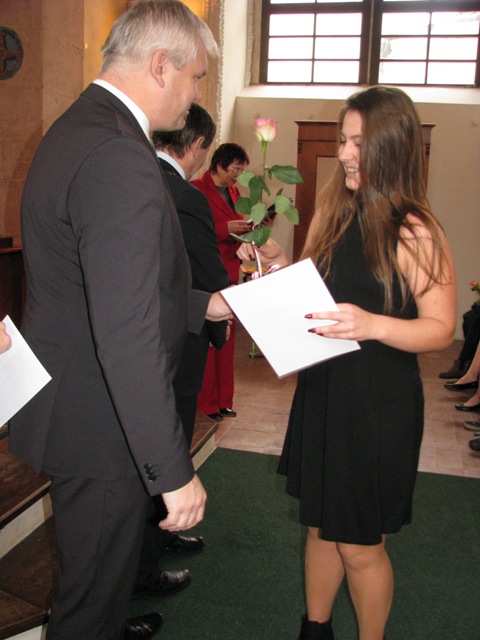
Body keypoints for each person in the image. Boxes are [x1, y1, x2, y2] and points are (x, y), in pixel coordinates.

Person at [8, 3, 232, 640]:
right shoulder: (118, 154)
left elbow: (95, 286)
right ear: (161, 65)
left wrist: (205, 304)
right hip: (102, 422)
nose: (195, 95)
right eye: (195, 77)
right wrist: (172, 469)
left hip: (83, 406)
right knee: (91, 609)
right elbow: (125, 332)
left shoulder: (81, 127)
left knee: (95, 594)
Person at [239, 86, 456, 640]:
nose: (344, 153)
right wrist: (277, 266)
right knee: (319, 528)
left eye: (358, 142)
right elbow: (317, 295)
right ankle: (315, 630)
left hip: (378, 407)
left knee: (359, 545)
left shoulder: (414, 229)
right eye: (342, 140)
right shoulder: (333, 212)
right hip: (326, 391)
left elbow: (440, 328)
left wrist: (372, 325)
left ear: (391, 147)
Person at [133, 103, 231, 600]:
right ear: (195, 145)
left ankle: (160, 537)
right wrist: (222, 320)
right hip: (179, 341)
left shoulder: (135, 177)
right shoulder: (184, 194)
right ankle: (145, 567)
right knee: (168, 449)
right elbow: (207, 272)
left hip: (144, 340)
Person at [192, 143, 251, 421]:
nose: (236, 177)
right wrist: (225, 229)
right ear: (218, 165)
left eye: (240, 171)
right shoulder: (196, 189)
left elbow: (237, 228)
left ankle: (224, 399)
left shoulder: (235, 192)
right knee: (210, 342)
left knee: (227, 342)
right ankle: (207, 403)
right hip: (208, 272)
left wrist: (254, 226)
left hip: (231, 270)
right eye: (234, 170)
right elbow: (194, 233)